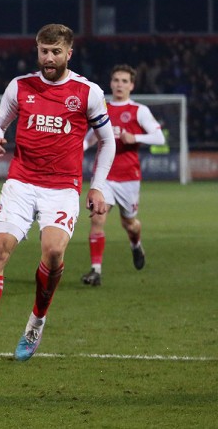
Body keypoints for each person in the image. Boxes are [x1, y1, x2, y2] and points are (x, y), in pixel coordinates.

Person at [0, 23, 115, 363]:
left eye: (56, 52)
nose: (49, 58)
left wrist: (98, 186)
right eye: (44, 51)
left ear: (69, 53)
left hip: (62, 188)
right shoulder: (20, 86)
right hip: (21, 182)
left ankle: (36, 322)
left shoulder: (88, 92)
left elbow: (108, 140)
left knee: (54, 252)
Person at [81, 64, 165, 286]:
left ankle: (135, 244)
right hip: (104, 176)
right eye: (116, 80)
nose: (120, 85)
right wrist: (77, 149)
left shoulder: (139, 110)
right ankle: (95, 270)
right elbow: (89, 138)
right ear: (111, 83)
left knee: (130, 224)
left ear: (132, 85)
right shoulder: (103, 108)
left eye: (124, 81)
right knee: (97, 219)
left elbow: (159, 138)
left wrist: (135, 138)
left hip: (129, 178)